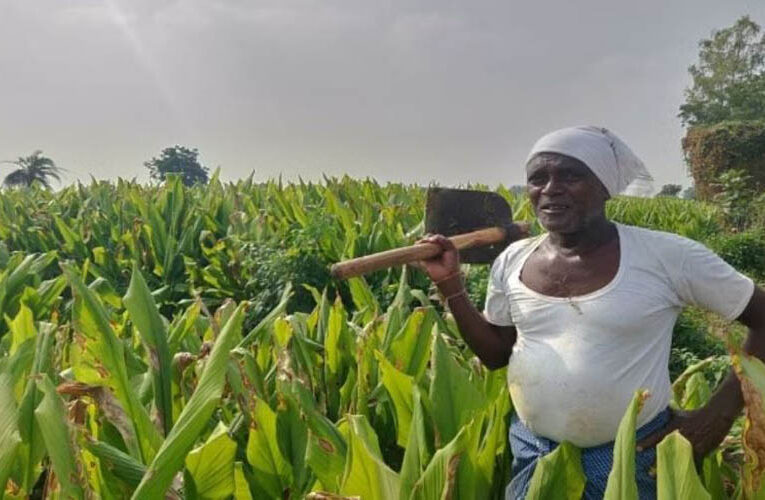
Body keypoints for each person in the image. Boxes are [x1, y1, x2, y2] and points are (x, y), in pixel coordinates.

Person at [417, 126, 765, 499]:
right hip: (533, 451)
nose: (550, 189)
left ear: (604, 186)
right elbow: (496, 354)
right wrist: (450, 285)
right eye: (538, 179)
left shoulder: (668, 257)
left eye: (570, 175)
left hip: (633, 457)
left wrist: (715, 419)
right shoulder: (512, 260)